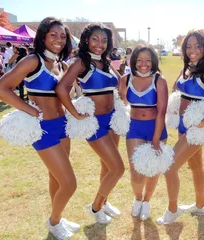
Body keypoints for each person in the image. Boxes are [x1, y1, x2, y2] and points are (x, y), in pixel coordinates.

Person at [0, 17, 78, 239]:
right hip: (42, 129)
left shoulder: (62, 65)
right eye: (53, 35)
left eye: (62, 36)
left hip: (63, 126)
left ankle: (58, 217)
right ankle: (53, 222)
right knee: (69, 183)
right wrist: (30, 110)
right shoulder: (33, 61)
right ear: (42, 36)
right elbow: (1, 88)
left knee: (56, 177)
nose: (58, 39)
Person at [157, 29, 204, 224]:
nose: (192, 50)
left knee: (170, 166)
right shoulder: (187, 68)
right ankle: (200, 206)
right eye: (188, 46)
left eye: (197, 46)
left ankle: (172, 210)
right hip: (183, 127)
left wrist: (203, 122)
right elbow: (176, 89)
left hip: (195, 130)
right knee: (196, 167)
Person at [56, 23, 125, 225]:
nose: (100, 44)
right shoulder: (81, 62)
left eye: (104, 40)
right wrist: (76, 113)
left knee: (107, 166)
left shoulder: (106, 61)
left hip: (112, 119)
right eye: (95, 39)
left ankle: (104, 202)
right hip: (94, 123)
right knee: (118, 168)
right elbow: (61, 88)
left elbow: (120, 82)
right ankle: (95, 207)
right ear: (86, 39)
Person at [119, 46, 168, 221]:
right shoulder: (126, 79)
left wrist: (156, 140)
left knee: (153, 170)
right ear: (133, 61)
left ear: (153, 61)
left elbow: (162, 111)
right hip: (134, 128)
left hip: (156, 128)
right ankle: (138, 198)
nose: (143, 64)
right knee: (136, 172)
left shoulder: (159, 81)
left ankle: (147, 201)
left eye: (148, 60)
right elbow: (120, 101)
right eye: (139, 60)